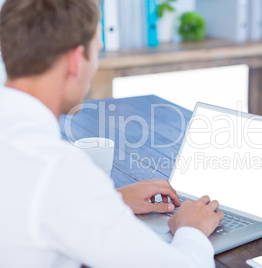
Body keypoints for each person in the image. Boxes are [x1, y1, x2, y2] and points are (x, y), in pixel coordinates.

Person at [0, 0, 224, 267]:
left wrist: (110, 200)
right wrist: (192, 229)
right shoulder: (57, 170)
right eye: (96, 53)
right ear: (75, 61)